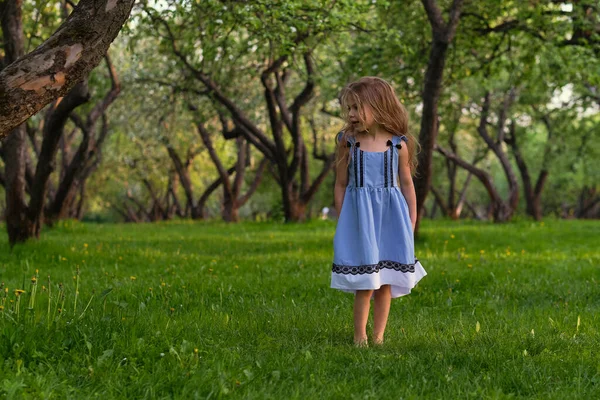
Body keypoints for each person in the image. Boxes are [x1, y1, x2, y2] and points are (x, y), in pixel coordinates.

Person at [331, 76, 426, 347]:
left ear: (378, 106)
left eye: (356, 108)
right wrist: (343, 220)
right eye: (348, 108)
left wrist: (410, 222)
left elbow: (407, 186)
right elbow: (340, 184)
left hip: (390, 220)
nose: (350, 114)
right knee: (366, 281)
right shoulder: (347, 143)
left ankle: (379, 337)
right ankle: (360, 337)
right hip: (360, 219)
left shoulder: (398, 145)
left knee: (386, 281)